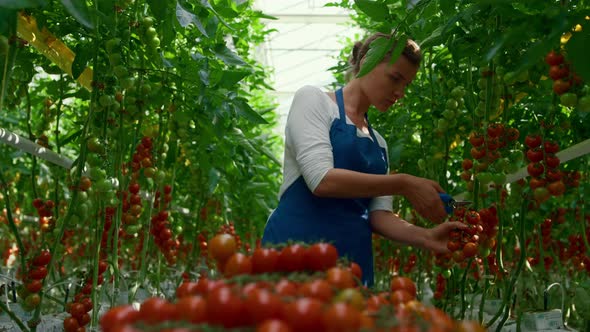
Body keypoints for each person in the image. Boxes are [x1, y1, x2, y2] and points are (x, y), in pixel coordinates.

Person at [262, 32, 467, 286]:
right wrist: (403, 183)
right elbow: (321, 180)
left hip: (352, 263)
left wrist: (427, 237)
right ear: (367, 61)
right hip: (294, 253)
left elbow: (379, 216)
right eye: (395, 78)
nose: (400, 92)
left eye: (407, 85)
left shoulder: (379, 143)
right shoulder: (313, 100)